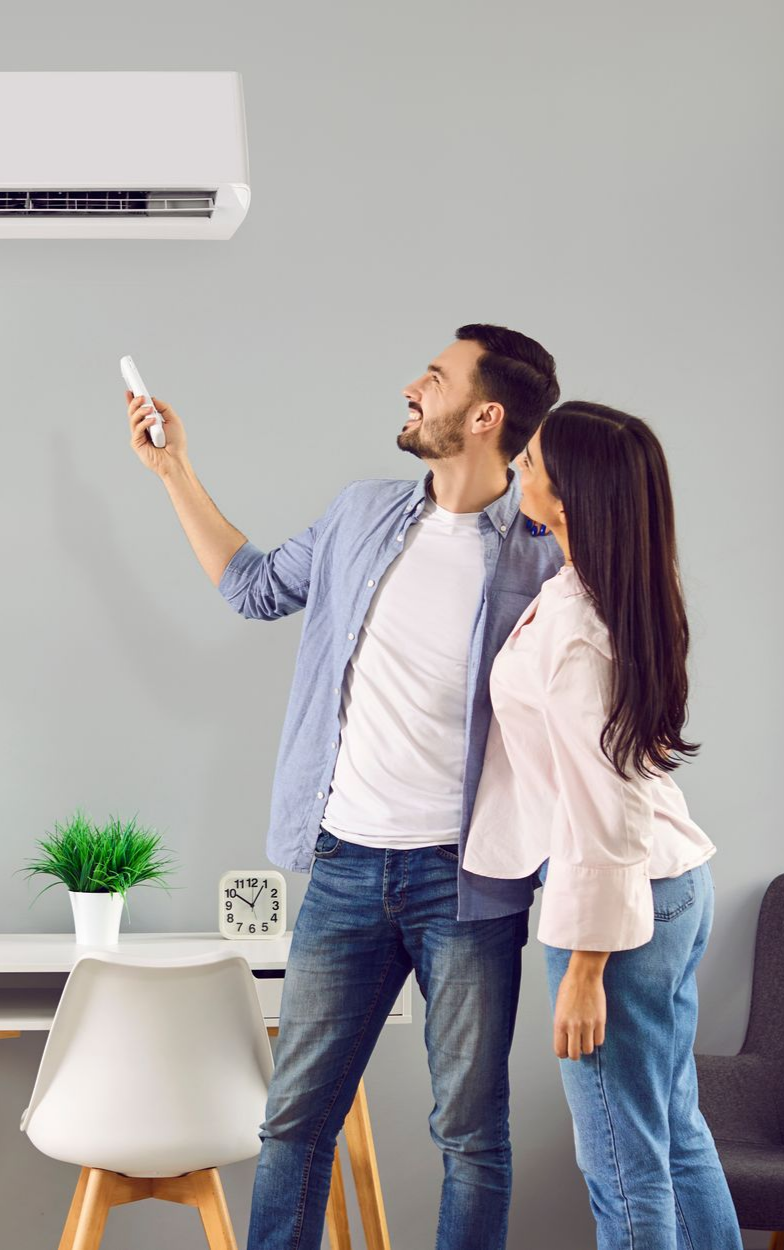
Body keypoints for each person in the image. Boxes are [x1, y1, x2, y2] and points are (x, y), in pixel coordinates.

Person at [125, 325, 561, 1250]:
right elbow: (251, 588)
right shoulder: (362, 515)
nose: (412, 386)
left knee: (472, 1137)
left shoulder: (542, 557)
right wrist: (175, 472)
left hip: (468, 883)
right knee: (292, 1124)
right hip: (347, 869)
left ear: (486, 416)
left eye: (434, 379)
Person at [464, 401, 741, 1249]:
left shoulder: (583, 631)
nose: (523, 468)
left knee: (619, 1159)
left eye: (536, 461)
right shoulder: (607, 586)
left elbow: (606, 807)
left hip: (618, 911)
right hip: (668, 885)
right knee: (671, 1130)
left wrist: (585, 966)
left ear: (571, 494)